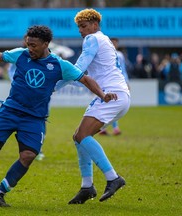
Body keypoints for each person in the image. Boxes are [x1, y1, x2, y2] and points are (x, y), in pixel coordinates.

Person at [0, 25, 117, 207]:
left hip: (34, 118)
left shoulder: (59, 65)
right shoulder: (21, 54)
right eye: (28, 44)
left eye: (34, 45)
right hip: (10, 111)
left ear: (46, 44)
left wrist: (103, 95)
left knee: (28, 155)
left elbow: (85, 79)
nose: (30, 49)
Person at [67, 9, 130, 204]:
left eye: (84, 26)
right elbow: (80, 78)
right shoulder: (105, 40)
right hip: (118, 95)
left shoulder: (92, 39)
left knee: (82, 136)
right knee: (78, 137)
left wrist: (53, 82)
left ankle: (113, 178)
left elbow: (77, 69)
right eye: (79, 28)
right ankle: (87, 187)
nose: (81, 31)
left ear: (95, 24)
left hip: (111, 95)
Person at [7, 34, 45, 161]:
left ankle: (37, 148)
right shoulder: (19, 54)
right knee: (18, 117)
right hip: (21, 92)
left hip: (39, 95)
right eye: (27, 41)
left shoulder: (42, 56)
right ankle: (25, 147)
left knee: (41, 118)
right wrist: (17, 81)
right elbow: (10, 69)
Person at [99, 38, 130, 136]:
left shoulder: (119, 55)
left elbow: (123, 69)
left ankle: (109, 128)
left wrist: (127, 82)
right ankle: (107, 128)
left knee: (113, 105)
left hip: (118, 83)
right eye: (112, 43)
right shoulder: (104, 53)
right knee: (107, 105)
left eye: (115, 43)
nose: (114, 45)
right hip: (107, 83)